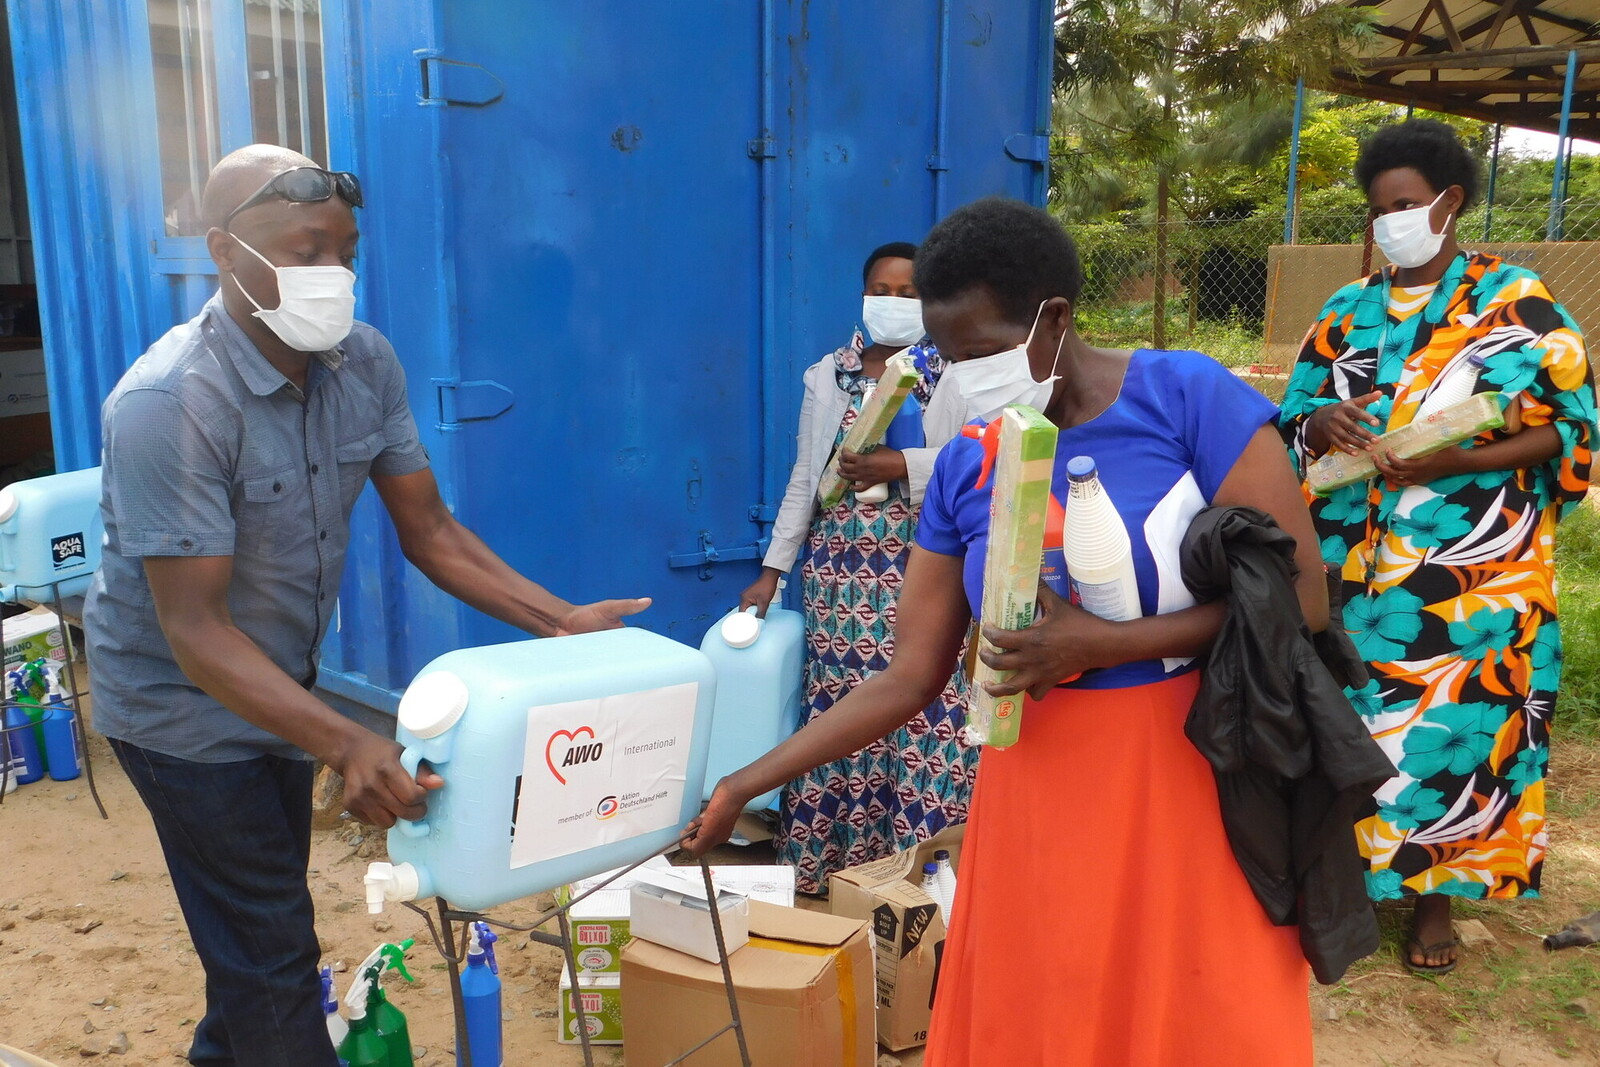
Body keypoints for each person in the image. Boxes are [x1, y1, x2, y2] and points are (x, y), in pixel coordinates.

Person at [694, 197, 1326, 1064]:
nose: (965, 380)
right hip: (1035, 780)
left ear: (1053, 318)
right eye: (948, 359)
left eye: (984, 352)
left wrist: (1100, 646)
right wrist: (742, 783)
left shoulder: (1187, 399)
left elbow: (1302, 598)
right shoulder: (968, 464)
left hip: (1193, 768)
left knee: (1190, 1002)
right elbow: (907, 677)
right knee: (1049, 1005)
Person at [84, 145, 649, 1067]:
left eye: (345, 252)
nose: (333, 276)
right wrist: (347, 739)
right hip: (180, 709)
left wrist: (559, 622)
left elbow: (431, 532)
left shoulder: (361, 362)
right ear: (228, 253)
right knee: (273, 952)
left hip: (278, 684)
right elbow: (194, 631)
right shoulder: (170, 402)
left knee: (257, 924)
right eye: (306, 252)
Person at [1279, 118, 1598, 975]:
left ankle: (1434, 901)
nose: (1390, 222)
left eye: (1406, 204)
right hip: (1358, 563)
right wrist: (1317, 419)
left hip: (1472, 570)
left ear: (1450, 202)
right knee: (1357, 719)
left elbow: (1571, 429)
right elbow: (1288, 420)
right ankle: (1351, 879)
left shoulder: (1519, 302)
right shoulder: (1347, 309)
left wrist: (1466, 458)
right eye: (1379, 208)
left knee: (1458, 720)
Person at [738, 242, 974, 894]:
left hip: (919, 565)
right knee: (837, 712)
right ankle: (833, 869)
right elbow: (803, 479)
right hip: (837, 577)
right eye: (883, 290)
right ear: (863, 293)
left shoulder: (948, 372)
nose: (894, 302)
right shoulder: (828, 374)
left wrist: (901, 467)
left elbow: (973, 463)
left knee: (920, 708)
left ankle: (914, 876)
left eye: (909, 292)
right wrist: (773, 570)